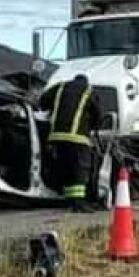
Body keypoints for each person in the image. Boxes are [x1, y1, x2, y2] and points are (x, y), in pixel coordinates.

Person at [39, 74, 103, 212]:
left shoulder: (60, 87)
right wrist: (93, 127)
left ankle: (70, 201)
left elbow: (42, 101)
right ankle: (79, 203)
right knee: (79, 169)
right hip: (77, 138)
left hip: (56, 137)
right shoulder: (89, 91)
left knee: (66, 168)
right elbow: (97, 114)